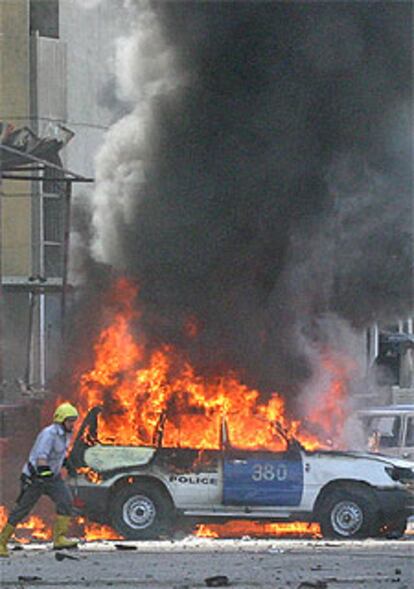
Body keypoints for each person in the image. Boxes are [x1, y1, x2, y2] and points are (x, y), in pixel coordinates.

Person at [0, 402, 79, 557]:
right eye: (70, 421)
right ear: (62, 420)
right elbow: (41, 458)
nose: (72, 424)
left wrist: (67, 464)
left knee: (65, 501)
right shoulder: (48, 434)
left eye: (73, 420)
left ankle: (59, 538)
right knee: (22, 510)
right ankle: (1, 542)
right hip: (35, 479)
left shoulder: (66, 435)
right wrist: (45, 474)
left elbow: (58, 454)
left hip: (52, 478)